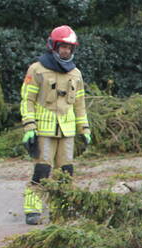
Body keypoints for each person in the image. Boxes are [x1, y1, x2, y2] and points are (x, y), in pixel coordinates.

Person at [20, 25, 91, 225]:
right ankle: (32, 209)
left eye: (69, 48)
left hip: (67, 131)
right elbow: (27, 100)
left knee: (66, 171)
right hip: (43, 129)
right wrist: (29, 127)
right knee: (42, 170)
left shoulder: (75, 74)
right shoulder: (37, 69)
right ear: (54, 46)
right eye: (62, 47)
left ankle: (61, 208)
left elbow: (80, 104)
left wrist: (84, 129)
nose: (66, 51)